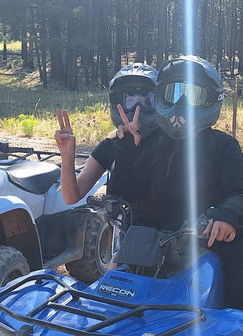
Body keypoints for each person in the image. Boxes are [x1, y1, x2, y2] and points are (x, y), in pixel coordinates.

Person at [147, 55, 243, 328]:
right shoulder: (154, 147)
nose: (182, 104)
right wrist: (125, 147)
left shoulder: (224, 145)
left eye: (192, 95)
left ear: (210, 101)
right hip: (177, 236)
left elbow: (240, 193)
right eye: (174, 93)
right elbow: (136, 192)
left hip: (238, 234)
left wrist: (227, 216)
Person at [54, 63, 163, 226]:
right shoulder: (112, 144)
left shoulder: (168, 144)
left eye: (144, 102)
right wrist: (67, 156)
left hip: (164, 236)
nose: (136, 110)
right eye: (130, 101)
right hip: (119, 235)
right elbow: (72, 197)